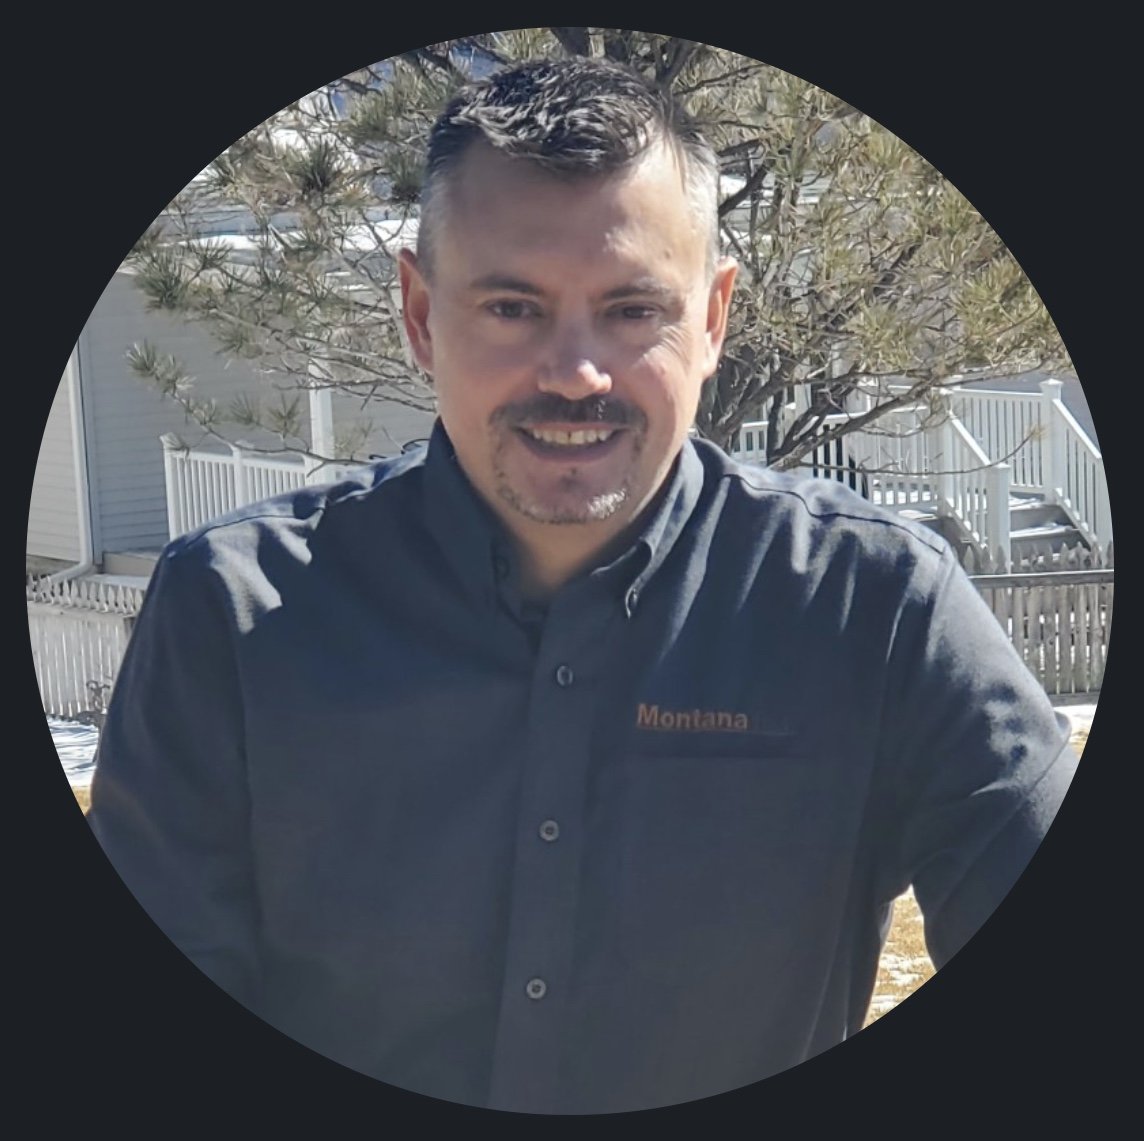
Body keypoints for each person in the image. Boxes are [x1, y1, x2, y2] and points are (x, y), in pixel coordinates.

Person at [87, 57, 1078, 1114]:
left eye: (630, 310)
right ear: (420, 314)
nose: (575, 373)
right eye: (512, 307)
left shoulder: (879, 607)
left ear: (713, 319)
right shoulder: (229, 615)